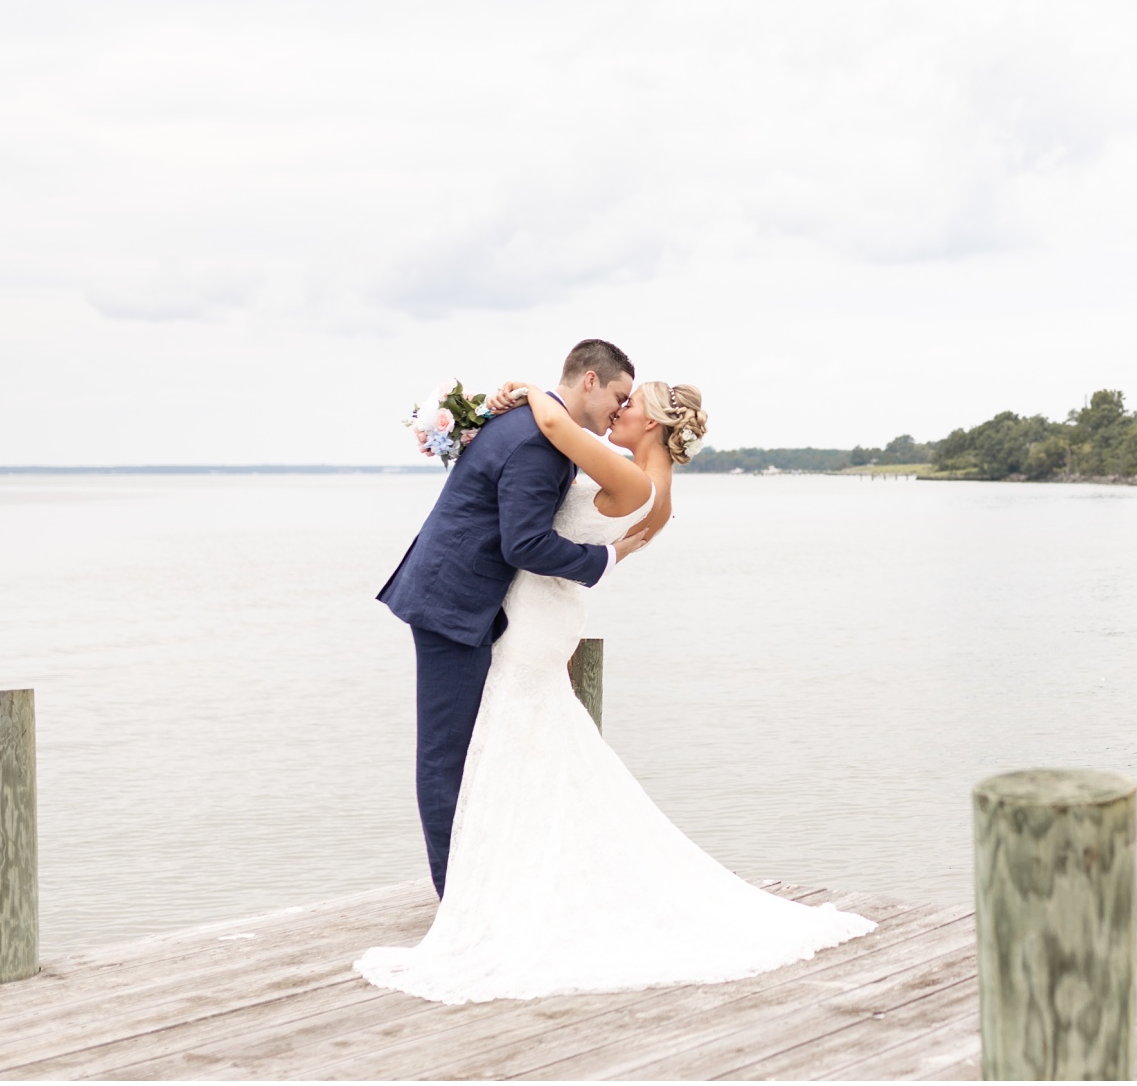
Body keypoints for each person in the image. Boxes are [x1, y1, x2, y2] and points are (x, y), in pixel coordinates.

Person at [357, 377, 873, 1003]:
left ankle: (476, 894)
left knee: (490, 748)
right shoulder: (657, 493)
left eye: (629, 405)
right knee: (526, 750)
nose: (618, 413)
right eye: (618, 401)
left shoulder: (634, 480)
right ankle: (503, 881)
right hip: (546, 612)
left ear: (652, 423)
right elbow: (584, 516)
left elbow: (555, 430)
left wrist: (533, 391)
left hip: (536, 619)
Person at [377, 338, 646, 900]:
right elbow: (525, 544)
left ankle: (481, 880)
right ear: (590, 381)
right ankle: (458, 898)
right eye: (618, 396)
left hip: (465, 599)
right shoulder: (537, 443)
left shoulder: (538, 425)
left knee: (474, 748)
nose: (619, 410)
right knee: (446, 755)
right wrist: (602, 559)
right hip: (451, 604)